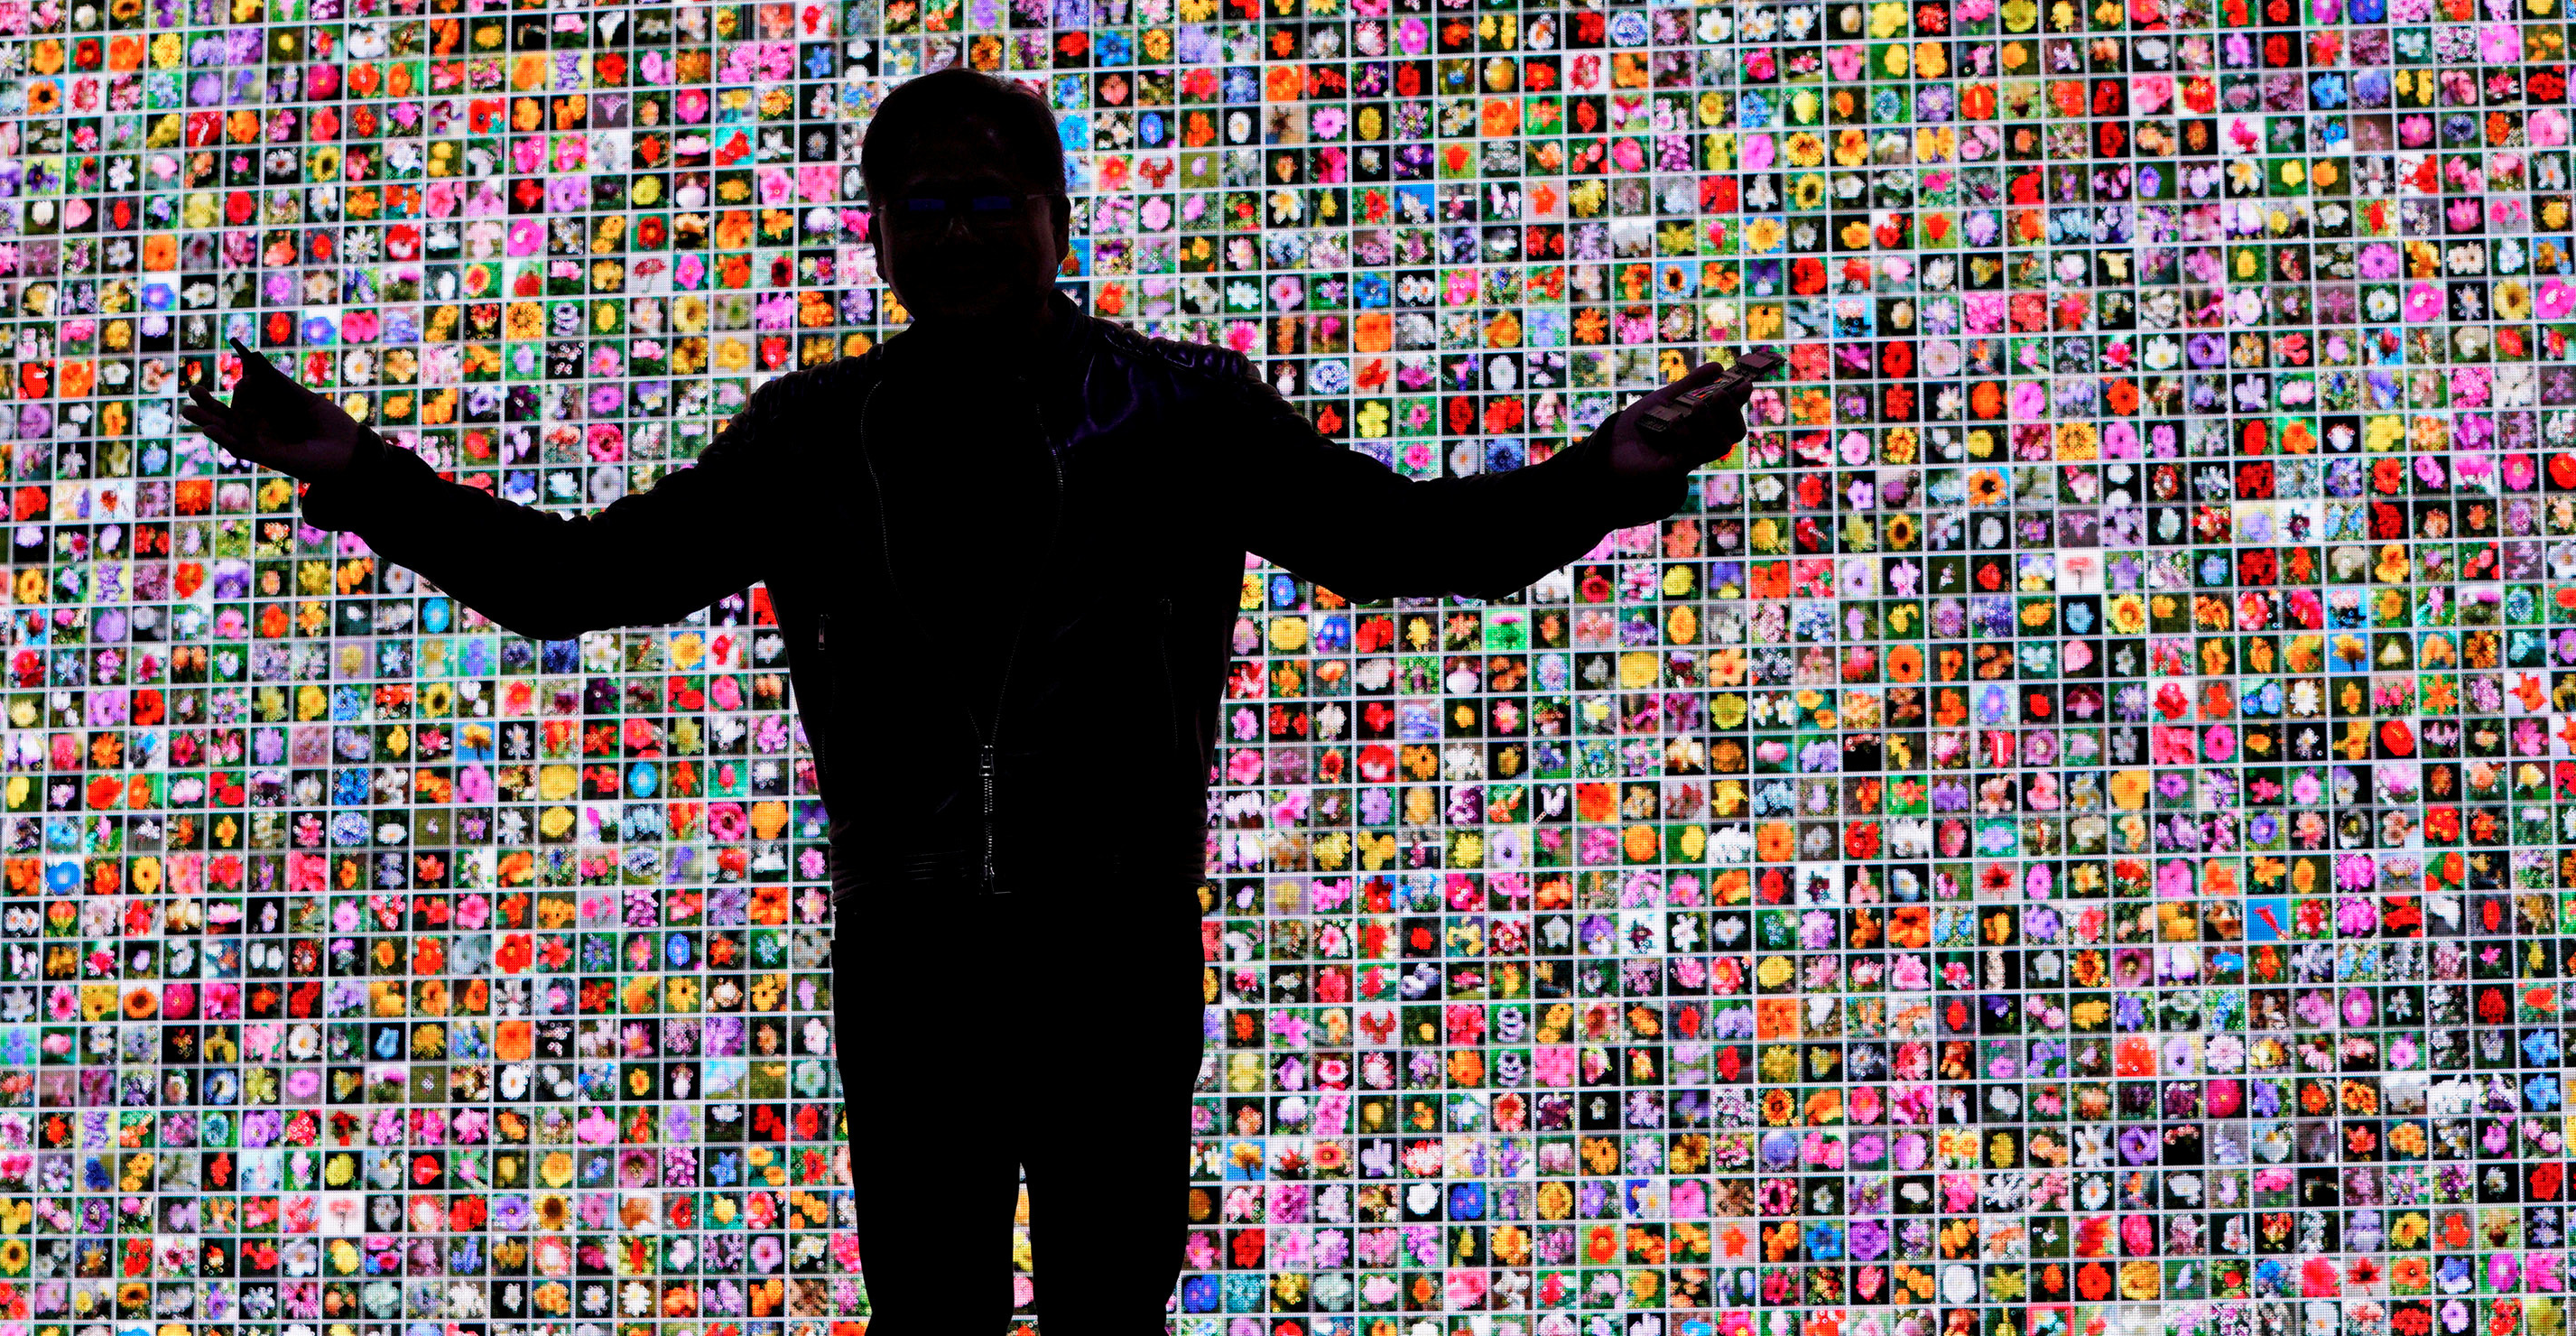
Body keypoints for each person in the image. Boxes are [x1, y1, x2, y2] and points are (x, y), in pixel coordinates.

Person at [183, 67, 1756, 1333]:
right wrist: (362, 476)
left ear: (1055, 216)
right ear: (875, 234)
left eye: (983, 196)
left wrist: (1608, 477)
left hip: (1115, 942)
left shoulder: (1182, 407)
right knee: (928, 1311)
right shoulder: (813, 433)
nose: (950, 232)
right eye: (913, 203)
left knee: (1105, 1303)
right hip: (914, 951)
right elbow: (576, 580)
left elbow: (1412, 543)